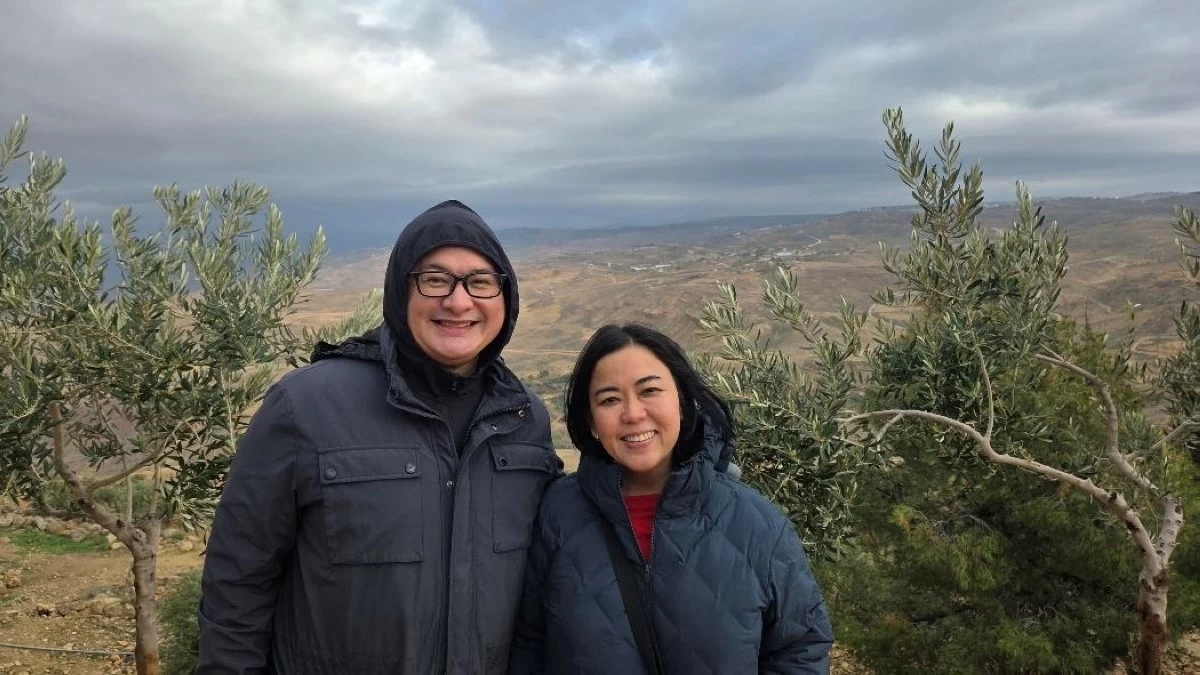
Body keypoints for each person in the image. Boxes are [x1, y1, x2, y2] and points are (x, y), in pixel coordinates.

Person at [198, 199, 562, 674]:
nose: (458, 301)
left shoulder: (525, 419)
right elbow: (237, 581)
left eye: (480, 282)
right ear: (398, 289)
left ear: (505, 297)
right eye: (434, 279)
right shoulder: (305, 405)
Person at [509, 323, 833, 674]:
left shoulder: (757, 523)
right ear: (591, 422)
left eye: (649, 390)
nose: (632, 414)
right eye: (609, 399)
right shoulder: (557, 514)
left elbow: (799, 649)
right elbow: (529, 643)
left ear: (682, 401)